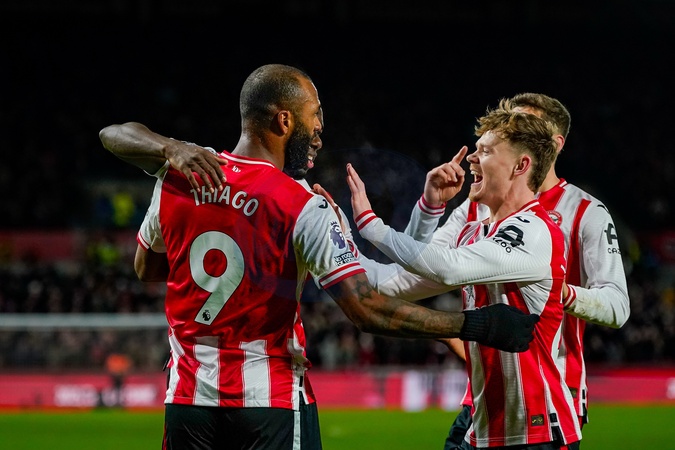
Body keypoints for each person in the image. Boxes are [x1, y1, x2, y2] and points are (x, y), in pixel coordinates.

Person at [98, 63, 539, 450]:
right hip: (269, 402)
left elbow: (148, 267)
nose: (320, 131)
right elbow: (367, 308)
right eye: (315, 117)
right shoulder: (302, 205)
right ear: (284, 120)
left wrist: (170, 149)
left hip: (187, 401)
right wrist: (477, 325)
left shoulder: (181, 176)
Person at [397, 94, 629, 449]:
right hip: (484, 394)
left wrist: (561, 292)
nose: (511, 130)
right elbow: (417, 265)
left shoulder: (586, 211)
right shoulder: (476, 206)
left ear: (554, 143)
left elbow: (617, 306)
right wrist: (427, 208)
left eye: (524, 124)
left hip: (551, 395)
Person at [345, 106, 582, 449]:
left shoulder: (534, 230)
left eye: (486, 151)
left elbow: (448, 267)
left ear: (520, 166)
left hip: (535, 431)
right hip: (483, 429)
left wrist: (370, 225)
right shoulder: (473, 230)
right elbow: (397, 281)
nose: (471, 157)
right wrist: (338, 244)